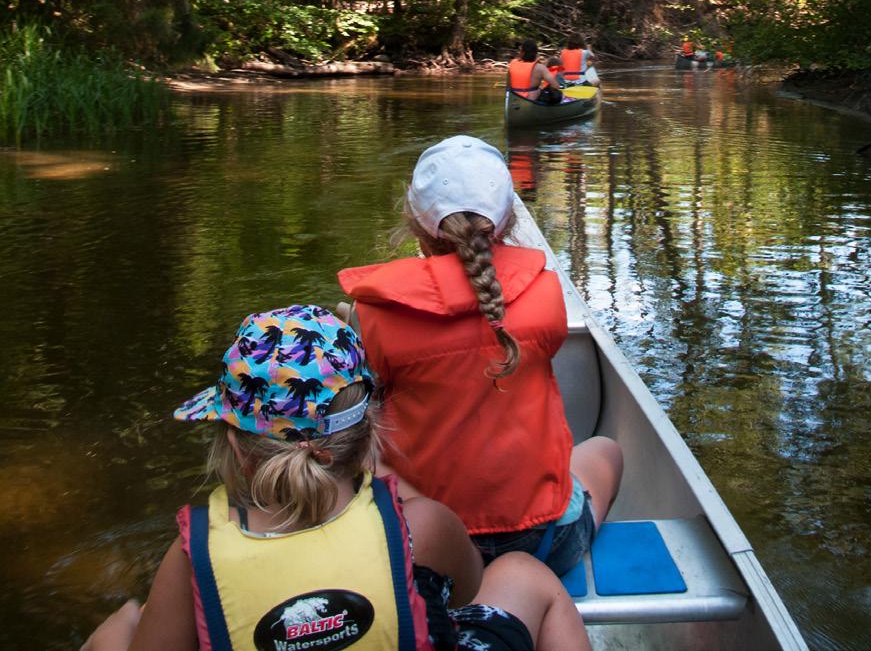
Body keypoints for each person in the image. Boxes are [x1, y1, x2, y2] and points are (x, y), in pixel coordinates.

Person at [80, 304, 592, 651]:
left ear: (235, 445)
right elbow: (466, 598)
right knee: (526, 574)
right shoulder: (424, 528)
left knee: (122, 625)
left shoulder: (192, 559)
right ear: (367, 432)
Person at [338, 137, 623, 579]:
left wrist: (354, 325)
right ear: (507, 220)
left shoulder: (372, 314)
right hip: (545, 543)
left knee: (356, 447)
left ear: (415, 222)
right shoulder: (545, 293)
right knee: (605, 451)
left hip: (431, 552)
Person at [506, 39, 562, 105]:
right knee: (556, 94)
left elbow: (508, 85)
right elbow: (556, 86)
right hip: (530, 100)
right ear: (535, 53)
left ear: (522, 52)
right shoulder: (540, 68)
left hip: (514, 99)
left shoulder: (512, 64)